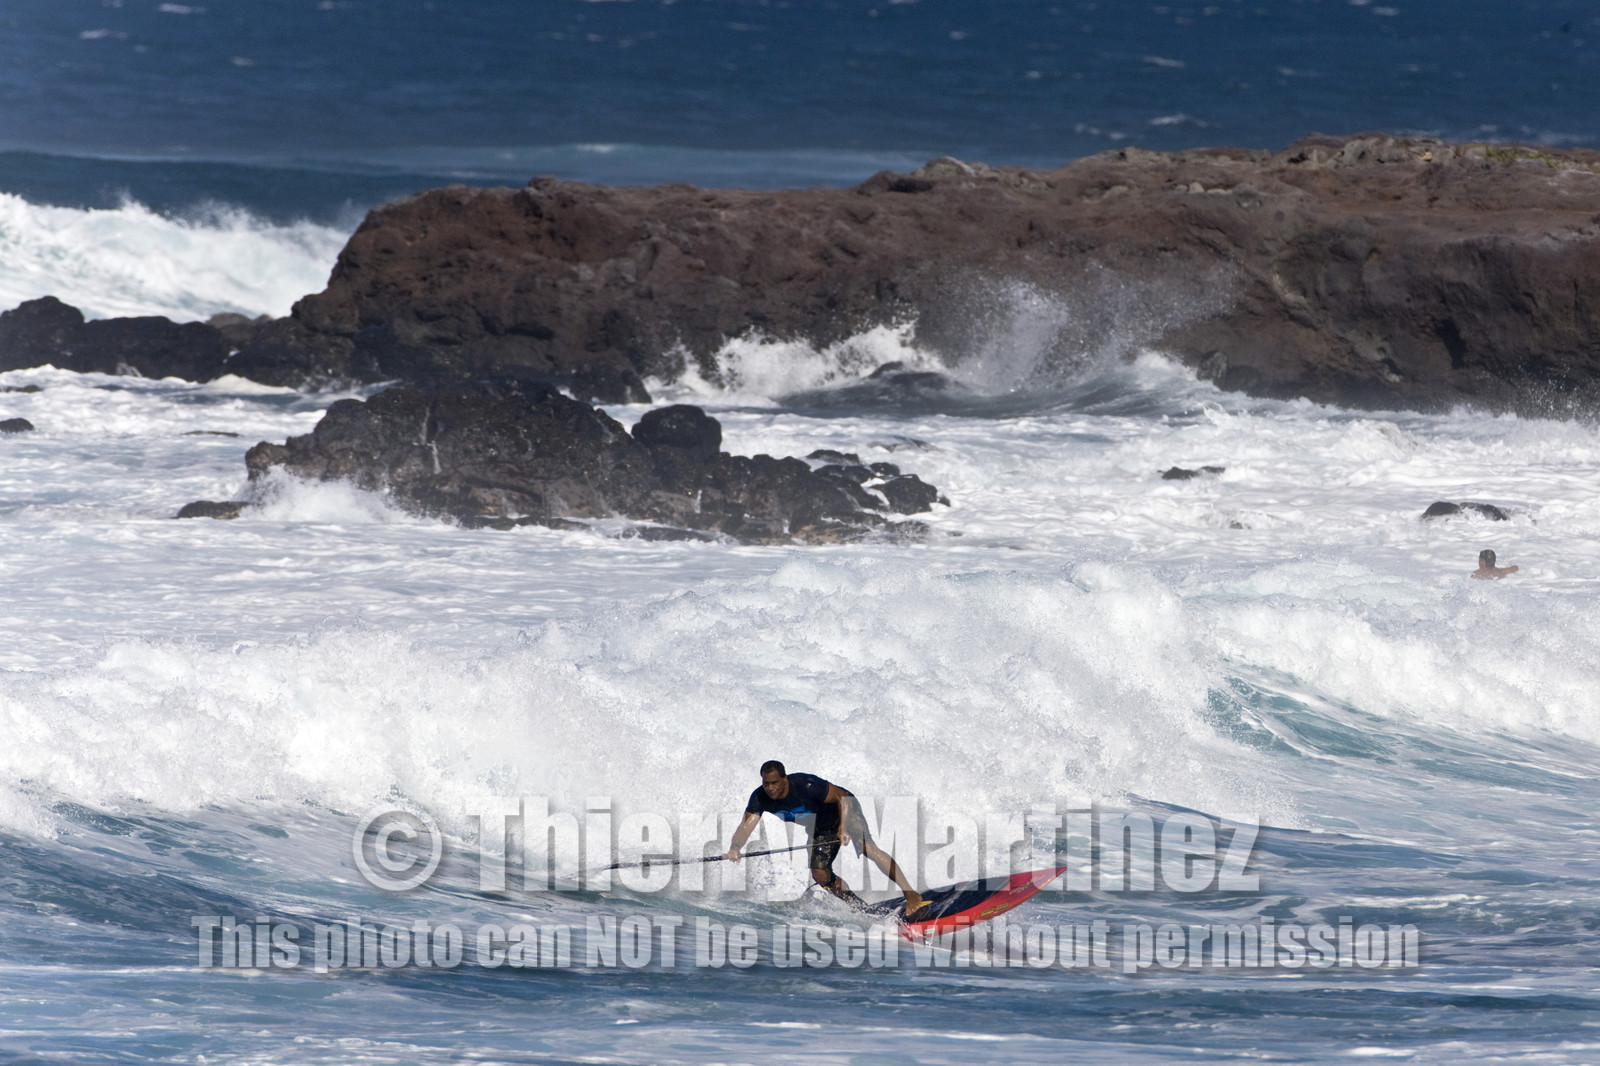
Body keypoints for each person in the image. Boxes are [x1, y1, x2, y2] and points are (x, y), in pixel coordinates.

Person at [724, 760, 927, 916]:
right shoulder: (760, 797)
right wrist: (735, 847)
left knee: (867, 848)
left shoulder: (806, 784)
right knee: (820, 874)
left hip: (845, 811)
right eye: (766, 783)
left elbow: (842, 797)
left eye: (775, 783)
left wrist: (843, 828)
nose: (770, 788)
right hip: (820, 827)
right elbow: (746, 825)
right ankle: (861, 909)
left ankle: (911, 894)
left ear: (784, 779)